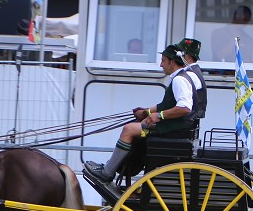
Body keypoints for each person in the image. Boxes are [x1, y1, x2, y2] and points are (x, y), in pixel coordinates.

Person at [84, 45, 199, 183]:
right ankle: (116, 166)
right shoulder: (181, 77)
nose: (161, 64)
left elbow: (185, 107)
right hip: (175, 126)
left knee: (128, 129)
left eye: (163, 60)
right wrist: (147, 112)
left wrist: (159, 115)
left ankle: (108, 172)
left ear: (172, 62)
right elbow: (168, 105)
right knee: (136, 127)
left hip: (172, 128)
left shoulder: (179, 80)